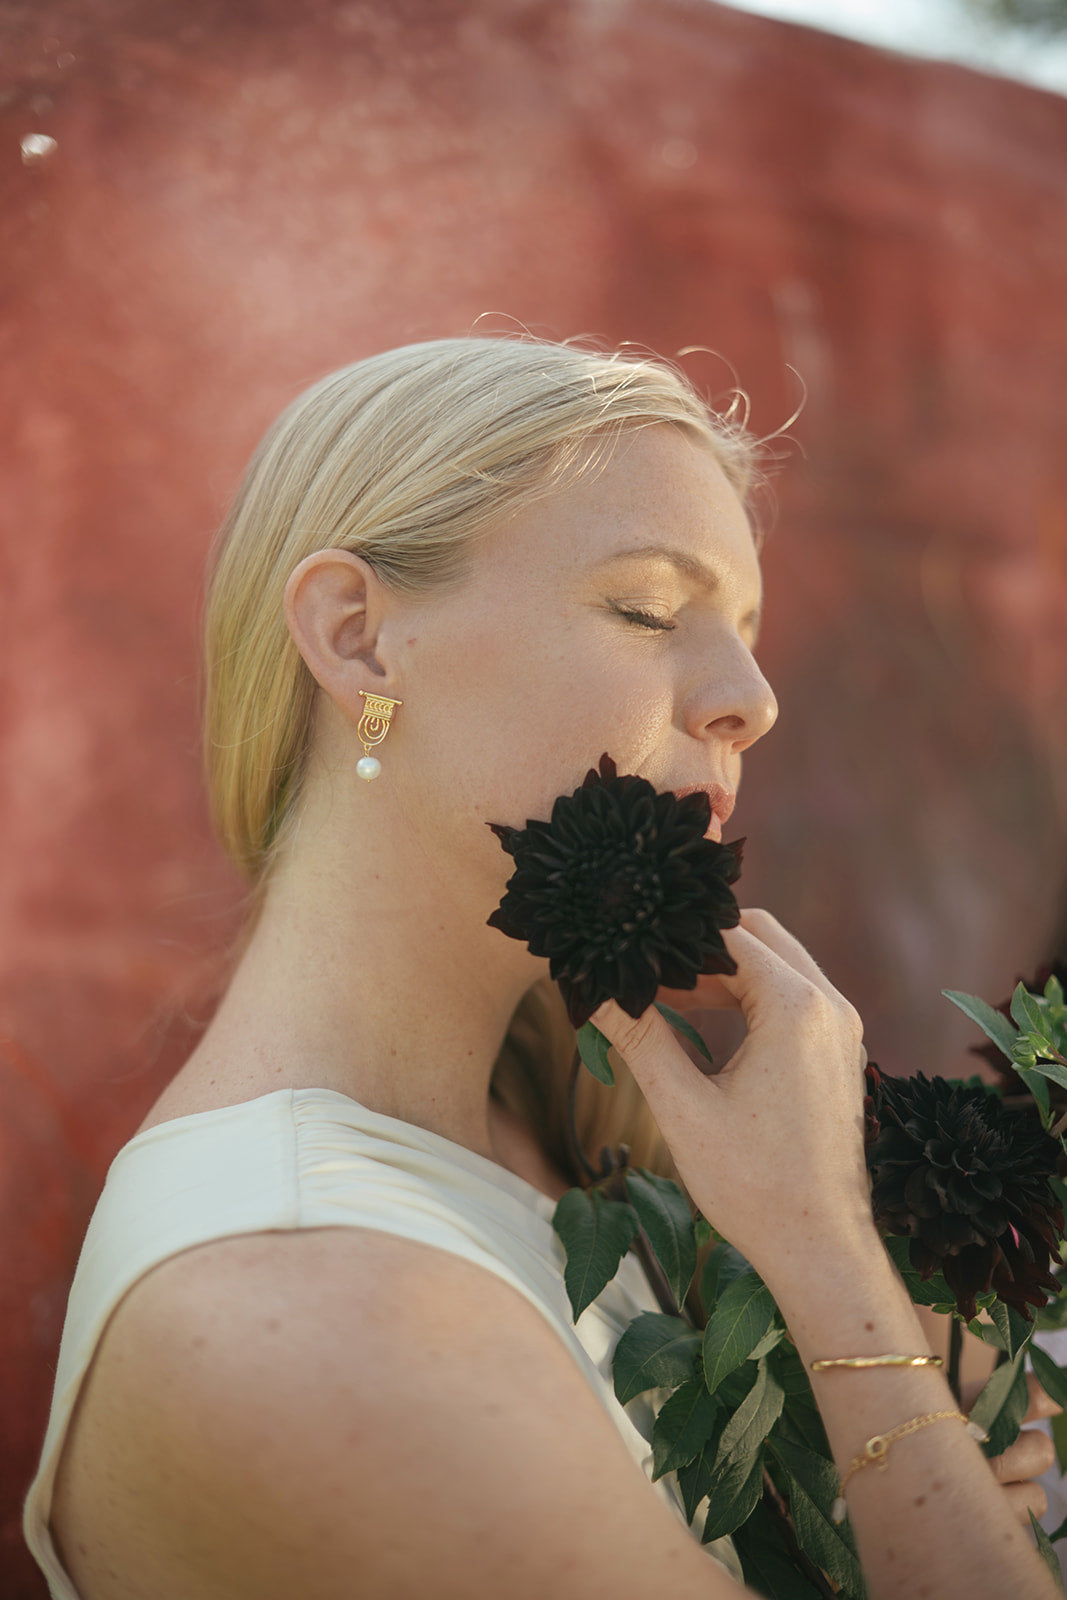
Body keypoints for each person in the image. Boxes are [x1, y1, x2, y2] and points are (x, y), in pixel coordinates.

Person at [22, 335, 1058, 1599]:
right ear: (357, 640)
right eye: (646, 609)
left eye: (742, 629)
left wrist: (864, 1498)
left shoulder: (555, 1138)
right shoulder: (300, 1300)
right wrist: (833, 1268)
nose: (753, 698)